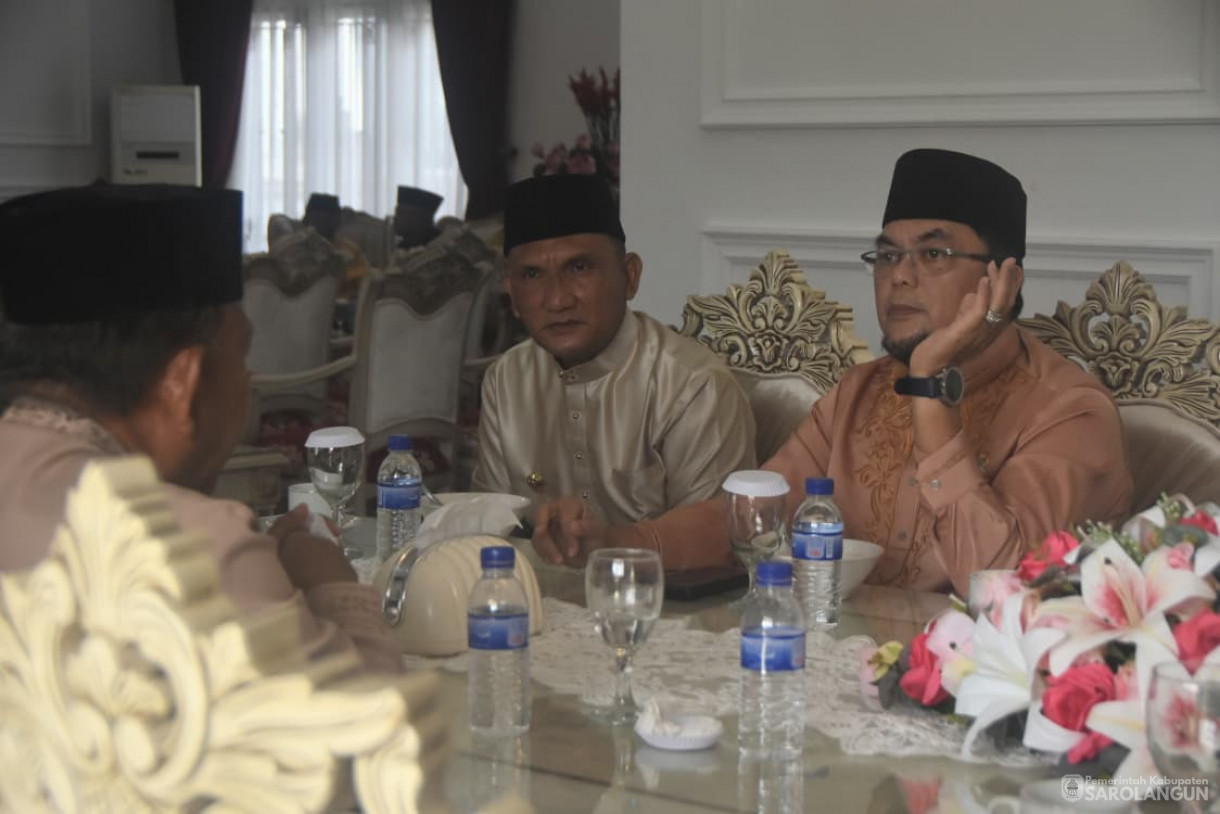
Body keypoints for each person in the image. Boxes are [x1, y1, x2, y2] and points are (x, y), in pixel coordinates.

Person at [545, 149, 1133, 595]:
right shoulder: (861, 391)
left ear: (1004, 280)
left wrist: (930, 385)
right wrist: (617, 543)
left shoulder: (1069, 413)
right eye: (886, 255)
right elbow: (755, 524)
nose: (899, 276)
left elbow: (1001, 586)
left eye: (933, 254)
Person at [0, 184, 402, 672]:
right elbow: (383, 732)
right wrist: (330, 584)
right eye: (242, 357)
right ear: (182, 382)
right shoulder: (201, 550)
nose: (247, 380)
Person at [472, 174, 757, 567]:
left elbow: (717, 547)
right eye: (533, 275)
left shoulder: (692, 386)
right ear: (513, 295)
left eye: (580, 267)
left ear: (630, 276)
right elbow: (490, 530)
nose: (557, 299)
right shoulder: (505, 381)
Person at [393, 185, 443, 249]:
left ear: (418, 218)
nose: (395, 218)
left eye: (400, 213)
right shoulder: (402, 246)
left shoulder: (437, 249)